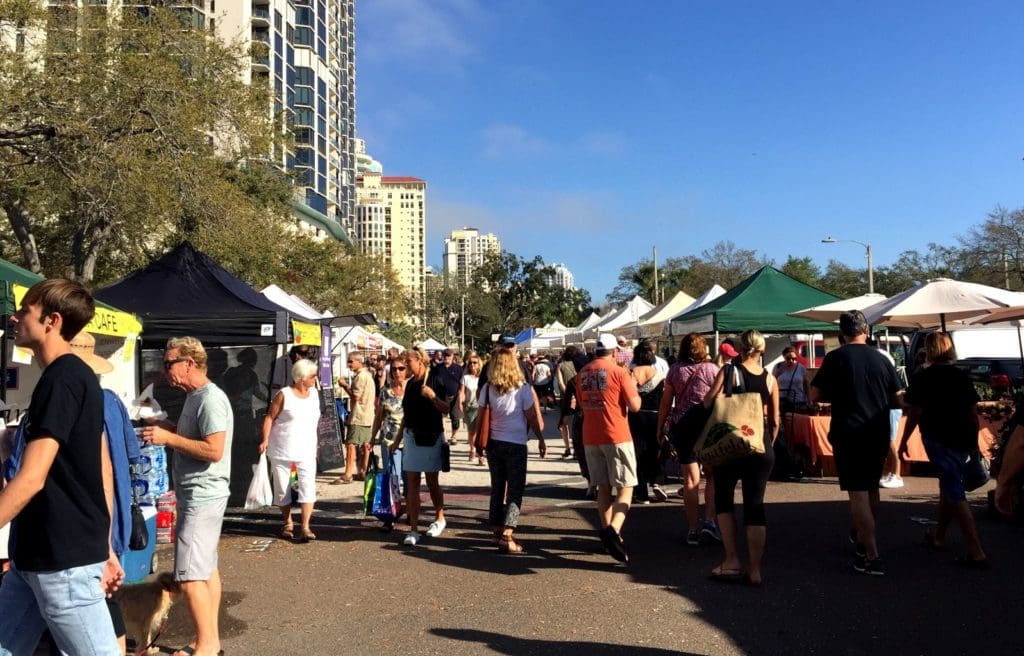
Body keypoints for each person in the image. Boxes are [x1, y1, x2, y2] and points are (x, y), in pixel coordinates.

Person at [0, 279, 123, 655]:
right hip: (34, 557)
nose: (15, 317)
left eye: (26, 311)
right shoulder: (66, 378)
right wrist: (105, 544)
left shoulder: (64, 379)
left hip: (62, 562)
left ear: (51, 321)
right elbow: (98, 464)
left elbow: (32, 477)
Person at [141, 336, 233, 656]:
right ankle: (205, 639)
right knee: (205, 569)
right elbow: (194, 438)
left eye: (169, 364)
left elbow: (214, 450)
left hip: (202, 495)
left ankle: (208, 646)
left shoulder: (210, 399)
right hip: (200, 494)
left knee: (190, 575)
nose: (165, 370)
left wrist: (167, 437)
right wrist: (164, 425)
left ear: (190, 363)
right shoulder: (196, 397)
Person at [810, 311, 901, 576]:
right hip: (878, 431)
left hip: (849, 432)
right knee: (872, 488)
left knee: (858, 493)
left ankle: (871, 555)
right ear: (867, 331)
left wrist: (838, 393)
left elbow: (815, 394)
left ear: (842, 333)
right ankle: (863, 539)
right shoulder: (882, 359)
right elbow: (897, 397)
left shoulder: (836, 358)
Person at [899, 332, 987, 567]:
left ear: (930, 350)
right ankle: (938, 536)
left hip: (938, 437)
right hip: (962, 437)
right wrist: (975, 443)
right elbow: (972, 413)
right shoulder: (961, 376)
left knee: (954, 491)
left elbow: (914, 411)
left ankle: (976, 551)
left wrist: (904, 440)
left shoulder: (924, 378)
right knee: (948, 485)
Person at [702, 330, 779, 586]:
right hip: (759, 446)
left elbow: (706, 403)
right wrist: (768, 441)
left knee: (724, 499)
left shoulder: (728, 372)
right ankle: (755, 570)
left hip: (729, 445)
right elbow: (775, 420)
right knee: (755, 505)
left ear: (740, 348)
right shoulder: (770, 379)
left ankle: (732, 560)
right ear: (761, 350)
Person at [578, 333, 642, 563]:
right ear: (614, 352)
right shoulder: (619, 372)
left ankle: (610, 538)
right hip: (616, 434)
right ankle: (612, 531)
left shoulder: (583, 373)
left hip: (591, 434)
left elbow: (580, 401)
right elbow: (635, 406)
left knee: (602, 488)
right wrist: (634, 386)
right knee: (626, 487)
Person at [656, 333, 721, 547]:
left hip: (682, 427)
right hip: (708, 427)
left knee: (691, 480)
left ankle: (692, 529)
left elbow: (666, 403)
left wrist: (660, 427)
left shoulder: (675, 371)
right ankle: (710, 522)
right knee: (711, 475)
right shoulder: (713, 370)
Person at [480, 349, 546, 553]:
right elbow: (531, 417)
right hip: (516, 443)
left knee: (497, 487)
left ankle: (496, 529)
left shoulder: (487, 388)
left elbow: (481, 417)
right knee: (515, 488)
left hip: (494, 443)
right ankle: (508, 532)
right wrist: (541, 438)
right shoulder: (522, 388)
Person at [389, 347, 448, 546]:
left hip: (431, 436)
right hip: (412, 436)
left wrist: (432, 396)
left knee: (432, 481)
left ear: (420, 360)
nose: (406, 367)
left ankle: (440, 517)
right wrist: (397, 440)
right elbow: (407, 414)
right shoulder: (412, 384)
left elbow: (447, 409)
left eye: (409, 362)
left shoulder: (435, 379)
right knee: (412, 481)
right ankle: (413, 528)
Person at [259, 358, 321, 542]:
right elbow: (270, 417)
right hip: (282, 447)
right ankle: (288, 522)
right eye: (312, 376)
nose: (315, 379)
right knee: (282, 488)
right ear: (301, 378)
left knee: (308, 485)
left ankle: (306, 526)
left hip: (307, 447)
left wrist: (317, 444)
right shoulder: (284, 394)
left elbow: (315, 421)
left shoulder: (315, 394)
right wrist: (265, 439)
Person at [371, 355, 408, 531]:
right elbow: (379, 416)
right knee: (392, 476)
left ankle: (410, 512)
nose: (397, 372)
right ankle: (390, 515)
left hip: (410, 440)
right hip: (389, 440)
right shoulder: (386, 391)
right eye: (394, 369)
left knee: (410, 479)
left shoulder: (413, 389)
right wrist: (372, 438)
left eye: (401, 368)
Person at [627, 341, 665, 505]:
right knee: (654, 450)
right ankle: (656, 480)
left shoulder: (632, 373)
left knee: (637, 453)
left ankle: (641, 492)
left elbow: (630, 394)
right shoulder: (659, 374)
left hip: (636, 416)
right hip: (655, 416)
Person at [335, 354, 374, 483]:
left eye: (351, 361)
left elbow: (355, 397)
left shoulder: (361, 377)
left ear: (359, 361)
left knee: (351, 444)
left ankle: (348, 474)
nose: (349, 364)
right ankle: (363, 471)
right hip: (367, 415)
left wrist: (344, 385)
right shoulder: (367, 375)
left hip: (359, 415)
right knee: (365, 445)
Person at [555, 346, 580, 458]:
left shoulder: (560, 366)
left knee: (564, 424)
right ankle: (576, 449)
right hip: (579, 398)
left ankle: (567, 448)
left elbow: (560, 383)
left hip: (565, 398)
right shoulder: (579, 365)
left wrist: (567, 394)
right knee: (577, 423)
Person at [435, 349, 464, 445]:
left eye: (449, 355)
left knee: (455, 418)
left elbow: (462, 383)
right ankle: (443, 436)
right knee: (441, 417)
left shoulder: (458, 368)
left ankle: (453, 436)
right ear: (443, 356)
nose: (447, 357)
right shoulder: (437, 368)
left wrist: (461, 394)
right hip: (441, 396)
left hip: (454, 396)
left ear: (452, 356)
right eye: (445, 355)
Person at [459, 352, 484, 463]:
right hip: (469, 407)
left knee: (481, 431)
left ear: (479, 364)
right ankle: (472, 449)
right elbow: (461, 392)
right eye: (470, 363)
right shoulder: (465, 378)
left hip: (481, 407)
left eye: (475, 363)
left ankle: (480, 453)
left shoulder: (482, 378)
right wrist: (460, 403)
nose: (472, 365)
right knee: (472, 431)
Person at [772, 346, 809, 413]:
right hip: (782, 402)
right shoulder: (778, 366)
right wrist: (777, 374)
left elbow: (807, 385)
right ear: (784, 357)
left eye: (794, 358)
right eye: (788, 358)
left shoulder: (801, 368)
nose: (791, 360)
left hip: (798, 402)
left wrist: (809, 400)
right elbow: (772, 382)